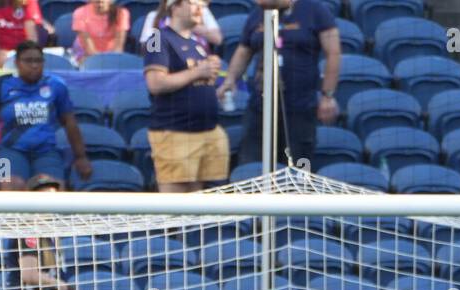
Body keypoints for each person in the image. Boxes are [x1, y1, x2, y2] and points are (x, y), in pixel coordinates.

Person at [219, 0, 341, 170]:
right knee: (252, 166)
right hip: (260, 106)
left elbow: (333, 53)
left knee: (297, 170)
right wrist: (230, 79)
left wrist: (328, 95)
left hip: (300, 107)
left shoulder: (316, 10)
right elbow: (244, 50)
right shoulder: (257, 14)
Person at [0, 40, 92, 191]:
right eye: (28, 61)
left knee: (50, 190)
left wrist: (81, 157)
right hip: (7, 152)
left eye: (38, 61)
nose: (34, 65)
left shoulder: (55, 85)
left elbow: (70, 123)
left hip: (46, 152)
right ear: (17, 63)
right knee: (9, 185)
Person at [143, 0, 229, 193]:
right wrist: (198, 72)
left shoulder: (196, 43)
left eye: (202, 5)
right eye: (193, 3)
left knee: (200, 202)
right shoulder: (157, 37)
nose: (201, 9)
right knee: (176, 207)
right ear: (174, 6)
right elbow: (155, 83)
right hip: (176, 132)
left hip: (206, 131)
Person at [0, 0, 43, 67]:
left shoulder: (29, 1)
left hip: (22, 51)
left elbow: (31, 35)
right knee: (3, 59)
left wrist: (26, 53)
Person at [138, 0, 221, 50]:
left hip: (198, 60)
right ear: (175, 6)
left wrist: (188, 24)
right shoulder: (153, 16)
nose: (199, 8)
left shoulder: (201, 10)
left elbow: (217, 39)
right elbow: (147, 47)